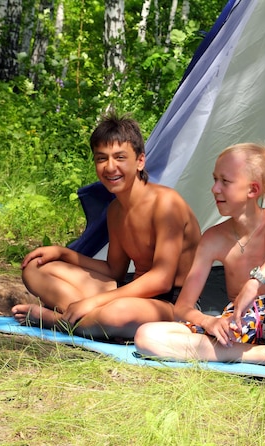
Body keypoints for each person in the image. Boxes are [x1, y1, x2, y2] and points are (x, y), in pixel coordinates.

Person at [134, 143, 265, 380]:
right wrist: (209, 322)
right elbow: (182, 308)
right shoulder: (213, 239)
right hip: (241, 326)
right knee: (146, 337)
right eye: (215, 180)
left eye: (225, 181)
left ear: (252, 190)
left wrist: (255, 282)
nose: (215, 189)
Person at [11, 112, 201, 340]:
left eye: (120, 157)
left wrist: (95, 301)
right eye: (102, 158)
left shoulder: (167, 204)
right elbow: (114, 271)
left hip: (173, 304)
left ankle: (59, 321)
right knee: (35, 269)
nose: (110, 167)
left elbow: (162, 279)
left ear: (140, 161)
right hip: (134, 293)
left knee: (116, 312)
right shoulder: (116, 211)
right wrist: (64, 254)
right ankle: (80, 317)